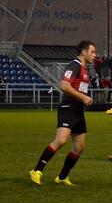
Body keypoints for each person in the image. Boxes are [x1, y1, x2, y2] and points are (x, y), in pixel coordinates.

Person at [29, 40, 96, 186]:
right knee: (61, 140)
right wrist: (83, 97)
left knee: (80, 146)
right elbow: (64, 86)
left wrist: (84, 98)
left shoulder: (85, 69)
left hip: (78, 110)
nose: (94, 55)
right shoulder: (75, 65)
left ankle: (62, 177)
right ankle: (37, 170)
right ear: (84, 52)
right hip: (68, 107)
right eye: (92, 52)